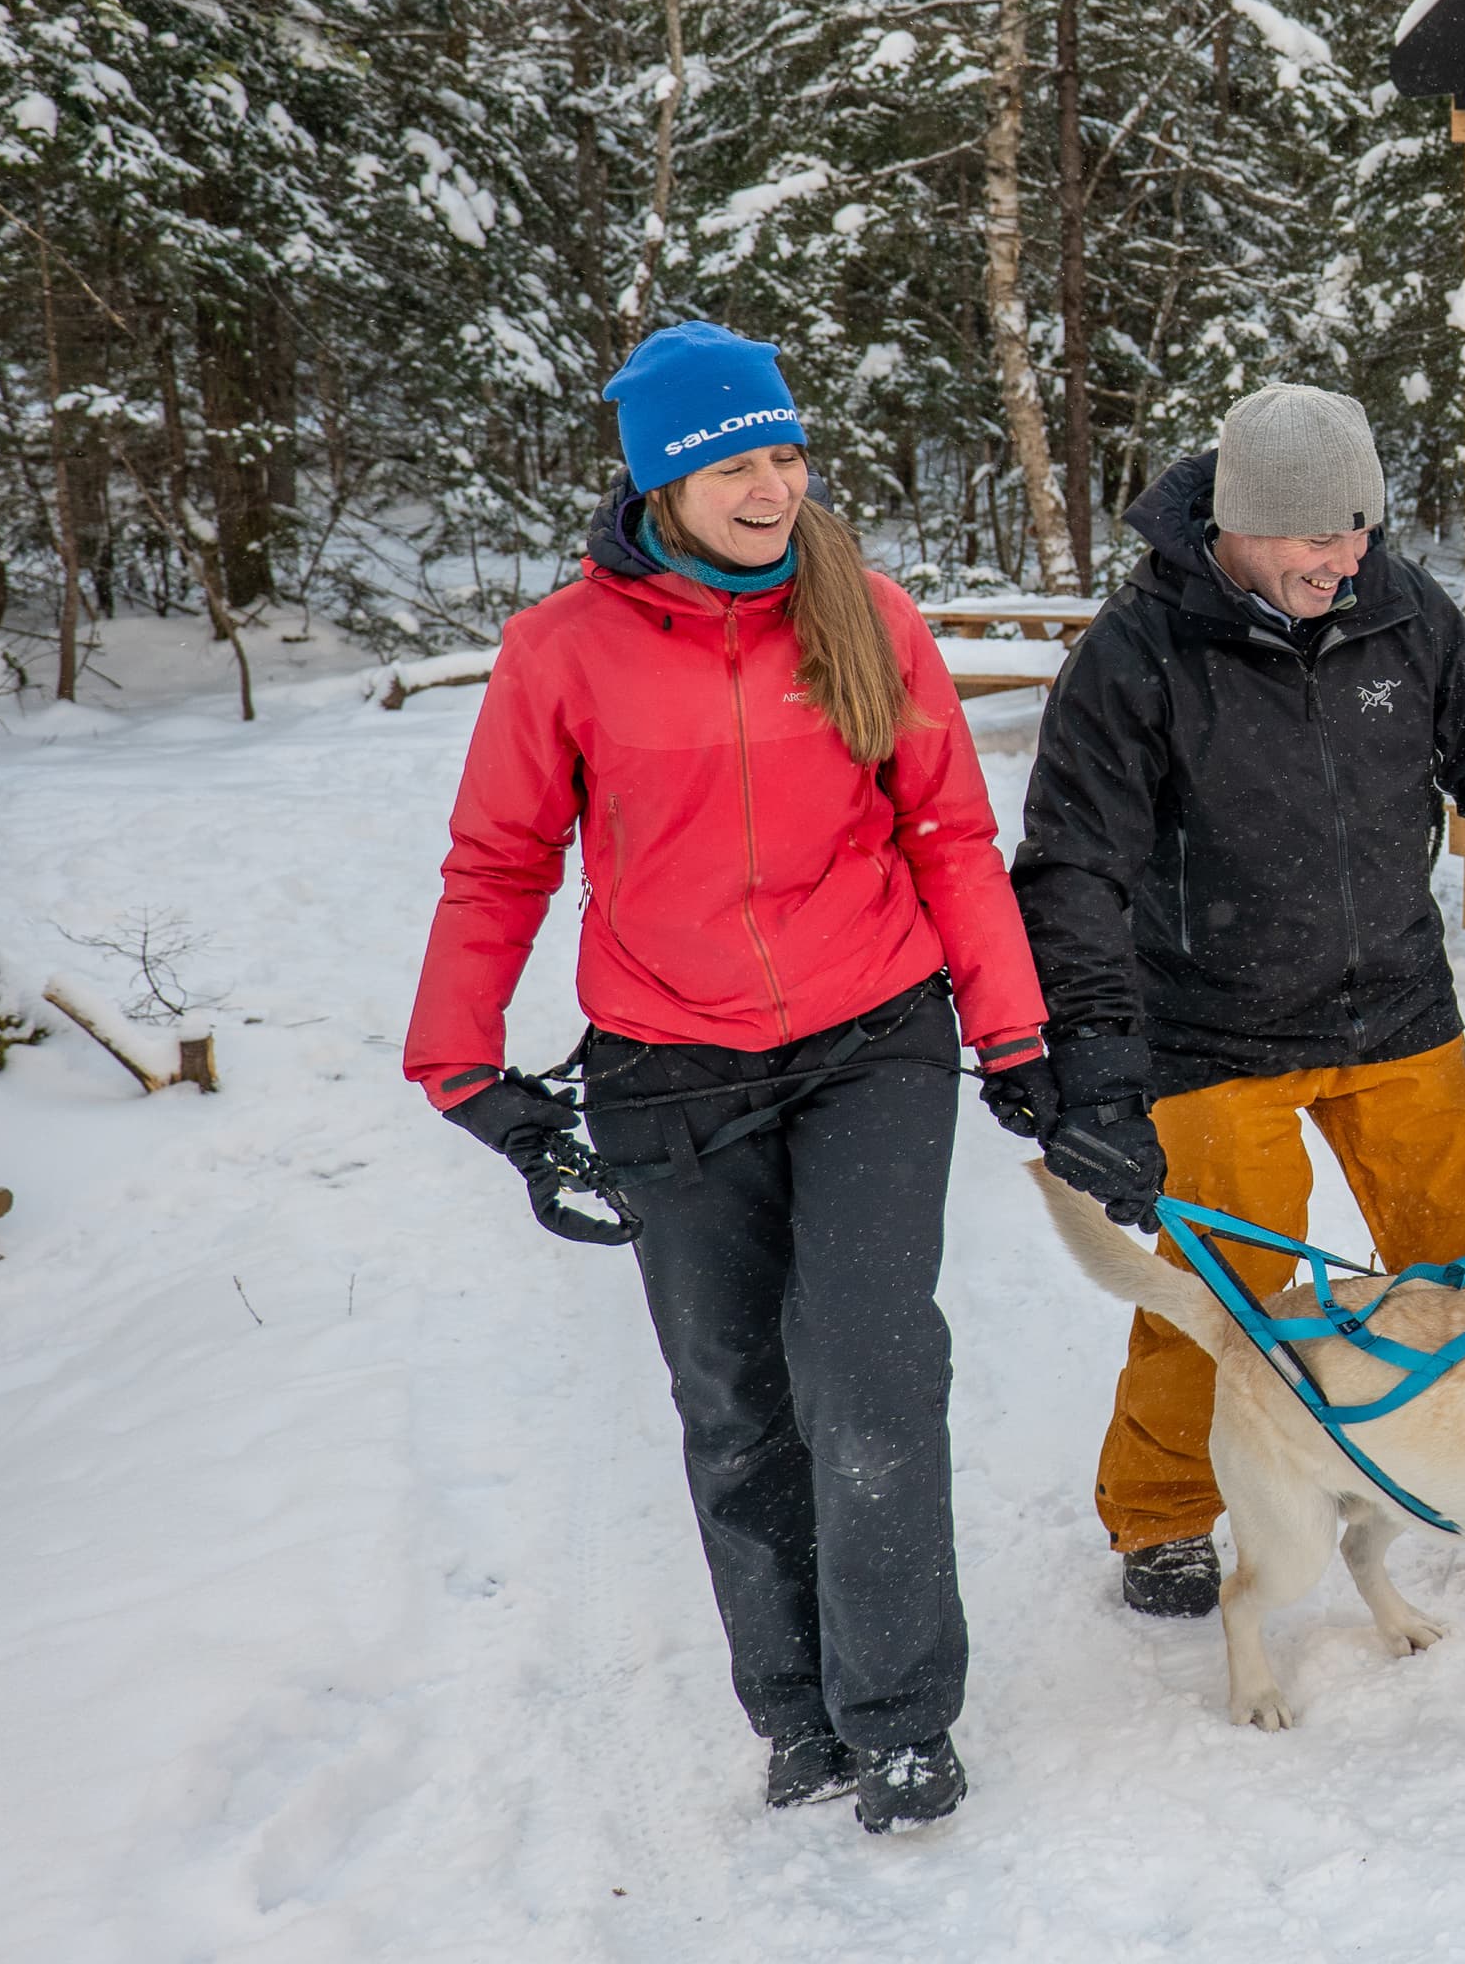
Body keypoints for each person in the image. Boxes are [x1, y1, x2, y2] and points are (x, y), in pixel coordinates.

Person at [406, 322, 1047, 1833]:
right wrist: (462, 1070)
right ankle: (793, 1707)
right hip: (667, 1064)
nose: (772, 488)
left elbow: (950, 832)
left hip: (872, 1035)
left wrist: (1009, 1029)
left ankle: (898, 1715)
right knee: (734, 1395)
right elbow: (499, 860)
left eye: (786, 455)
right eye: (735, 464)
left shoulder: (867, 615)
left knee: (874, 1361)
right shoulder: (561, 649)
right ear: (662, 480)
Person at [1005, 384, 1465, 1628]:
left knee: (1464, 1273)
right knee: (1226, 1295)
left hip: (1395, 1006)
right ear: (1236, 522)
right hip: (1212, 1027)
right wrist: (1100, 1068)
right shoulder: (1137, 655)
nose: (1343, 563)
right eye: (1313, 540)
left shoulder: (1399, 608)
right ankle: (1169, 1508)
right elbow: (1075, 870)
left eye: (1359, 533)